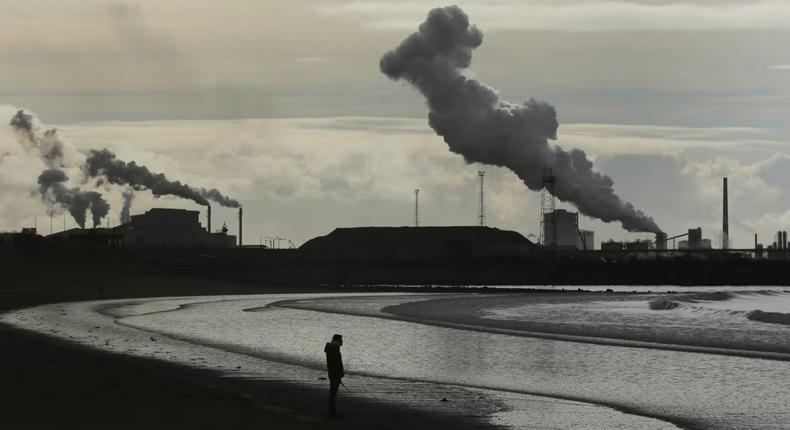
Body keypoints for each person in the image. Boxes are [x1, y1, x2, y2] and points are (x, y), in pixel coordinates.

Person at [324, 334, 345, 417]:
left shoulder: (333, 349)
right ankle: (332, 413)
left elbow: (335, 364)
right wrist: (338, 376)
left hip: (334, 375)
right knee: (333, 394)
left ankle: (332, 412)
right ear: (337, 341)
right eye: (341, 340)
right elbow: (335, 365)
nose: (342, 342)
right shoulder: (334, 350)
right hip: (334, 375)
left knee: (333, 393)